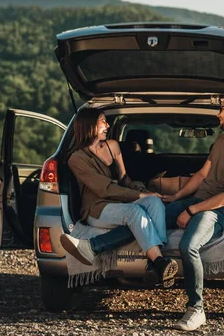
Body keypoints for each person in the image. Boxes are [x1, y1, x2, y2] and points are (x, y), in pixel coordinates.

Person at [162, 92, 224, 331]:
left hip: (221, 211)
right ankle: (93, 248)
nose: (218, 113)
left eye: (222, 108)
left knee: (188, 245)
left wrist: (191, 210)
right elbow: (202, 175)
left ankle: (196, 309)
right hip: (198, 201)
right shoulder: (221, 141)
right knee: (147, 216)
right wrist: (176, 198)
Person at [60, 107, 178, 287]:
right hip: (97, 208)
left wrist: (144, 191)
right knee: (135, 214)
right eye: (102, 122)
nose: (107, 126)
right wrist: (139, 195)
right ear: (89, 125)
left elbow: (124, 179)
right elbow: (105, 189)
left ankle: (154, 265)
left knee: (154, 202)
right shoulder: (76, 159)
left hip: (121, 202)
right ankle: (159, 262)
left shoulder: (112, 146)